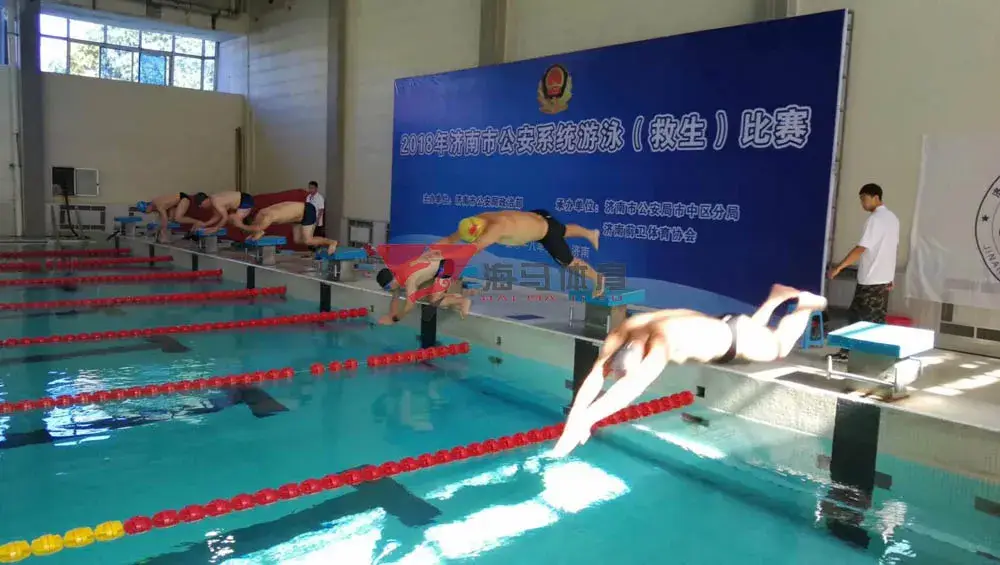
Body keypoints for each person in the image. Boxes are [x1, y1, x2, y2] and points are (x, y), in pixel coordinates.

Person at [550, 284, 828, 458]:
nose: (620, 378)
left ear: (642, 356)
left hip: (733, 338)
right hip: (720, 327)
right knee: (757, 337)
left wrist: (586, 421)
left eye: (624, 374)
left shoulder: (659, 344)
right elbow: (595, 374)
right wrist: (575, 421)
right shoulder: (623, 332)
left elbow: (629, 389)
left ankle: (806, 304)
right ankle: (774, 298)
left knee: (779, 347)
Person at [438, 210, 604, 297]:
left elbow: (473, 249)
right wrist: (432, 250)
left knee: (569, 262)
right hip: (539, 215)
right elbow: (452, 238)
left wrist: (445, 258)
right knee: (563, 230)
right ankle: (590, 233)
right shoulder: (480, 219)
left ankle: (597, 278)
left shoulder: (495, 228)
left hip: (546, 233)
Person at [826, 183, 899, 361]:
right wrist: (891, 276)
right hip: (883, 279)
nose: (862, 203)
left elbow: (861, 248)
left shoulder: (875, 220)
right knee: (872, 319)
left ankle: (857, 355)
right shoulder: (893, 219)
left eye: (864, 199)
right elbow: (892, 250)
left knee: (861, 320)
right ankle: (863, 355)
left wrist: (839, 267)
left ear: (876, 197)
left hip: (871, 280)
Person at [374, 246, 474, 325]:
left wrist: (394, 320)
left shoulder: (409, 280)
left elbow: (409, 306)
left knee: (434, 300)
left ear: (390, 283)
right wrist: (391, 314)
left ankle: (463, 301)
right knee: (423, 295)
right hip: (436, 263)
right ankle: (453, 297)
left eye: (387, 288)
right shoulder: (398, 273)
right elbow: (395, 296)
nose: (389, 290)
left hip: (445, 266)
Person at [240, 200, 339, 254]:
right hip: (296, 217)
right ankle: (320, 245)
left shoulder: (267, 217)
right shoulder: (260, 214)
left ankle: (332, 242)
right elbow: (256, 230)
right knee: (297, 240)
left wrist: (254, 235)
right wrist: (253, 233)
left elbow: (259, 232)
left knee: (308, 240)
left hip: (306, 211)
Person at [140, 192, 207, 243]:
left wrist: (163, 234)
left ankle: (197, 222)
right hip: (174, 203)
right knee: (171, 219)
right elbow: (162, 220)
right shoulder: (154, 204)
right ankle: (192, 232)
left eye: (145, 211)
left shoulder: (159, 206)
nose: (146, 213)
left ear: (147, 207)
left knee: (178, 218)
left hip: (183, 198)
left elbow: (164, 220)